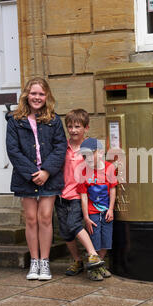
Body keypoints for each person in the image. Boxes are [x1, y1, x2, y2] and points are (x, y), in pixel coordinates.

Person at [6, 77, 67, 280]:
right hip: (26, 177)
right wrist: (32, 173)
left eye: (41, 94)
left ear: (47, 96)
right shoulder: (15, 121)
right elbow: (13, 150)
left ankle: (45, 262)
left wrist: (47, 171)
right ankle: (34, 261)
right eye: (33, 93)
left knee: (45, 218)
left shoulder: (54, 120)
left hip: (49, 176)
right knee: (31, 219)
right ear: (26, 95)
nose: (37, 97)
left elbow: (60, 148)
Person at [54, 109, 104, 276]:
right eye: (70, 126)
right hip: (61, 194)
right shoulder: (63, 147)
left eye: (77, 126)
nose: (73, 130)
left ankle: (93, 255)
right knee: (66, 232)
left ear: (86, 128)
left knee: (74, 224)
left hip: (79, 194)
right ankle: (77, 260)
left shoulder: (91, 147)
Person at [77, 137, 117, 281]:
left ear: (99, 153)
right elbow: (83, 196)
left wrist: (111, 209)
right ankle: (93, 268)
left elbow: (112, 190)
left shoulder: (109, 168)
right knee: (95, 240)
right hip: (92, 213)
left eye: (89, 155)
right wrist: (86, 217)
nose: (86, 159)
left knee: (106, 240)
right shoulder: (83, 172)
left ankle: (99, 264)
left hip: (106, 212)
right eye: (83, 156)